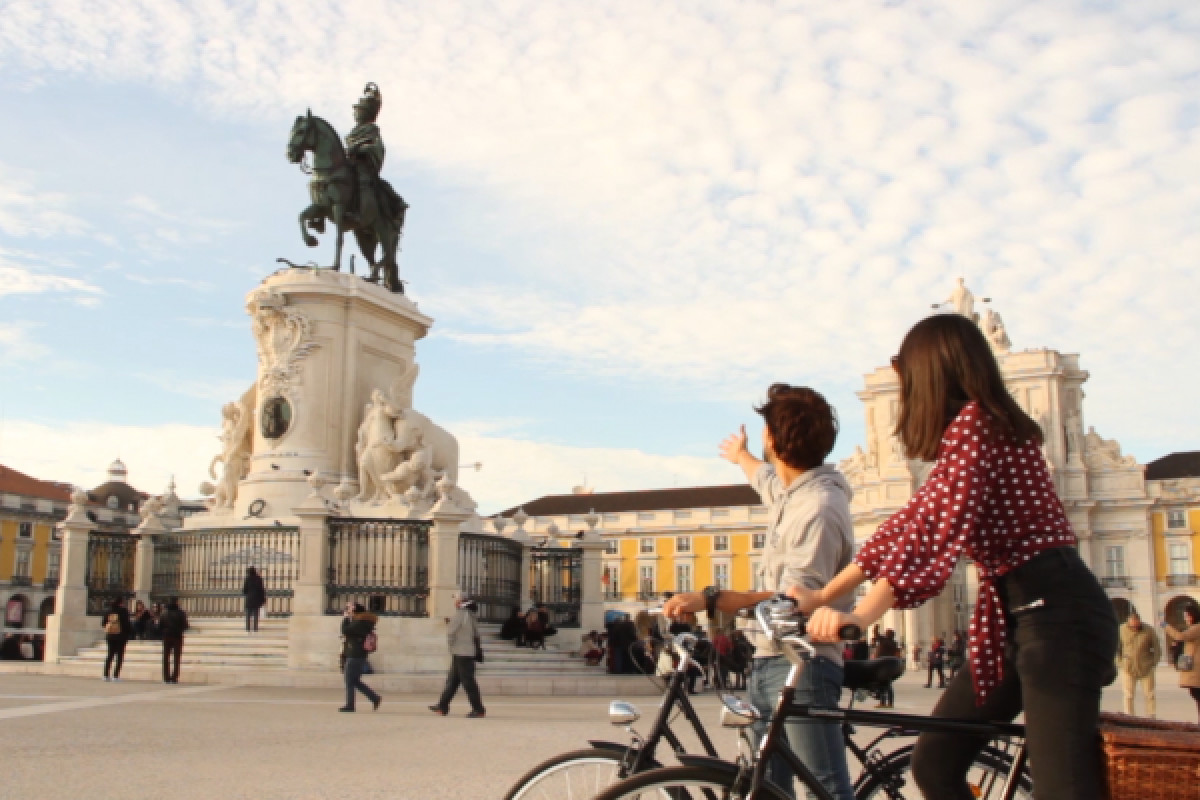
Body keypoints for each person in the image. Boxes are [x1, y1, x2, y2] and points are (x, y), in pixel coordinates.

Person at [794, 313, 1118, 800]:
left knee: (1063, 790)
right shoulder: (971, 434)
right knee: (936, 763)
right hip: (1015, 622)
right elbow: (907, 524)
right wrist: (823, 596)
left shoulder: (980, 426)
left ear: (931, 372)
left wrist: (861, 616)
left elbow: (934, 531)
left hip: (1059, 621)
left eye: (907, 373)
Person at [664, 384, 856, 800]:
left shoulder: (818, 507)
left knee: (825, 789)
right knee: (764, 788)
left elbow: (794, 600)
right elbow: (764, 478)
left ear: (773, 438)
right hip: (770, 659)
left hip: (805, 663)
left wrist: (714, 599)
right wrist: (741, 456)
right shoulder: (792, 492)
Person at [430, 594, 485, 718]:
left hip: (461, 651)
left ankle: (478, 709)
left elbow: (451, 631)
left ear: (461, 602)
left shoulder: (461, 614)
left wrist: (451, 645)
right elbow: (476, 633)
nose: (455, 602)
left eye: (457, 600)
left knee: (468, 682)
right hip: (466, 651)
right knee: (453, 680)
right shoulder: (471, 614)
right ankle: (442, 706)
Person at [339, 602, 382, 712]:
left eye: (349, 609)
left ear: (355, 610)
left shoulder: (360, 622)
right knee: (355, 680)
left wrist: (346, 618)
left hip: (355, 654)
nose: (347, 611)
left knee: (349, 680)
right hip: (357, 653)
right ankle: (374, 698)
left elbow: (345, 630)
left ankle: (350, 705)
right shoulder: (363, 621)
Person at [1118, 611, 1161, 717]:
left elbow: (1156, 648)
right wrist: (1120, 662)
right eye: (1132, 626)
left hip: (1146, 667)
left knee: (1149, 694)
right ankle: (1129, 716)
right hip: (1128, 667)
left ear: (1140, 622)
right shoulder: (1121, 630)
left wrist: (1153, 662)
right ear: (1128, 622)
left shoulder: (1149, 630)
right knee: (1128, 695)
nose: (1134, 628)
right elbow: (1117, 648)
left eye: (1136, 625)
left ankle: (1151, 716)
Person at [1165, 606, 1200, 723]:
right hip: (1194, 667)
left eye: (1187, 616)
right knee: (1196, 694)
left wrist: (1166, 626)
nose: (1186, 619)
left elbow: (1180, 636)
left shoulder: (1197, 628)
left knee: (1197, 693)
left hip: (1196, 668)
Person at [101, 597, 133, 682]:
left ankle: (105, 675)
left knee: (110, 655)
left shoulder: (108, 611)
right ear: (121, 603)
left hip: (110, 635)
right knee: (119, 656)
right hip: (121, 636)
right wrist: (129, 634)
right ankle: (115, 676)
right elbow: (126, 624)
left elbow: (103, 623)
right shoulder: (123, 611)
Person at [159, 597, 189, 684]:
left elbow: (160, 625)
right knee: (176, 658)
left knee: (166, 657)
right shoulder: (181, 613)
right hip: (177, 636)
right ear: (176, 602)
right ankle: (174, 677)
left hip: (167, 636)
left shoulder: (164, 612)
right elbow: (185, 625)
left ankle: (166, 677)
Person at [871, 629, 902, 708]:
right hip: (889, 665)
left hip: (882, 664)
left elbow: (876, 635)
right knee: (887, 684)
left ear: (888, 634)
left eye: (886, 633)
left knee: (883, 684)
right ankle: (889, 703)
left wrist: (875, 628)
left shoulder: (884, 640)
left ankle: (883, 702)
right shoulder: (894, 643)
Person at [242, 566, 267, 634]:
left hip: (249, 600)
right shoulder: (259, 579)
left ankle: (248, 628)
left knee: (248, 615)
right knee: (256, 614)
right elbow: (262, 590)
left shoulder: (247, 579)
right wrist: (263, 599)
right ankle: (255, 628)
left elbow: (244, 590)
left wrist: (248, 593)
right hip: (256, 599)